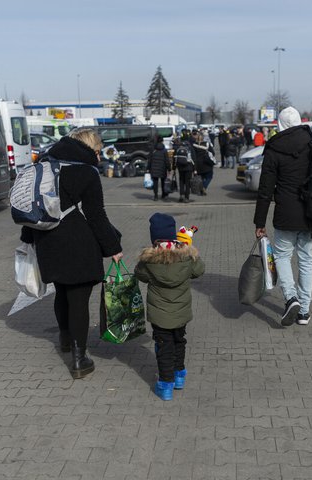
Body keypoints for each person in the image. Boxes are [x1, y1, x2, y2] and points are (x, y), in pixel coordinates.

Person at [20, 129, 123, 379]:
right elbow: (96, 215)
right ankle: (79, 359)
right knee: (78, 300)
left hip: (47, 240)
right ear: (89, 149)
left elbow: (31, 204)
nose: (99, 158)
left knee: (62, 292)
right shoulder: (86, 172)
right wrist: (113, 249)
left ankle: (65, 338)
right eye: (98, 152)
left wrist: (28, 238)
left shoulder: (44, 164)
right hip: (78, 243)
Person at [254, 106, 312, 327]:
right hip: (311, 213)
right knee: (306, 259)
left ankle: (291, 298)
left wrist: (259, 222)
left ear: (279, 124)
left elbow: (265, 189)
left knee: (282, 256)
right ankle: (304, 310)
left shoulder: (273, 149)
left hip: (285, 213)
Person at [134, 213, 205, 400]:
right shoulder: (185, 256)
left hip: (159, 314)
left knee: (164, 346)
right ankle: (179, 375)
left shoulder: (149, 260)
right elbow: (199, 270)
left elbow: (139, 275)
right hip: (181, 312)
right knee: (179, 340)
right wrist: (189, 249)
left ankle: (165, 385)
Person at [147, 136, 171, 201]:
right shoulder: (164, 150)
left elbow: (150, 160)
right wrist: (169, 168)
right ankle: (163, 195)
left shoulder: (153, 149)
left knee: (155, 183)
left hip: (154, 168)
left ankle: (156, 196)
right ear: (162, 141)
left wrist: (148, 168)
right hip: (163, 168)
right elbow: (167, 160)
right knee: (163, 182)